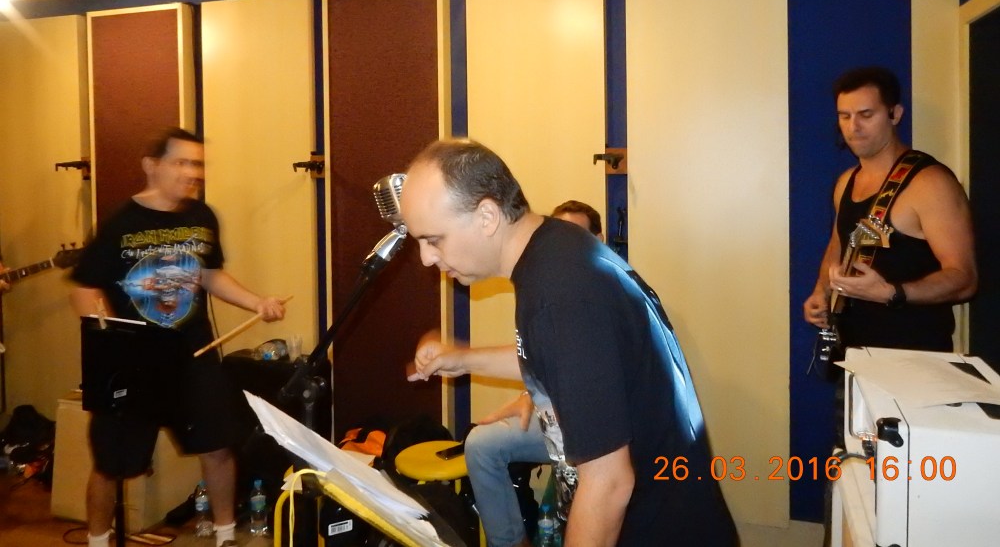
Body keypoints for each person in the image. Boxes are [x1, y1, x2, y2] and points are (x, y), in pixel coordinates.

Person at [402, 138, 737, 547]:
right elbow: (558, 358)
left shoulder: (560, 294)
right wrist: (462, 360)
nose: (426, 258)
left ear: (487, 216)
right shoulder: (557, 248)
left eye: (433, 239)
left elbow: (609, 483)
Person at [70, 127, 287, 547]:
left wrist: (257, 302)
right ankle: (97, 540)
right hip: (133, 364)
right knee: (111, 464)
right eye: (182, 162)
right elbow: (84, 286)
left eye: (197, 164)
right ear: (151, 166)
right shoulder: (120, 223)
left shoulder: (202, 217)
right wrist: (109, 338)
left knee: (218, 447)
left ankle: (225, 537)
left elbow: (210, 275)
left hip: (193, 352)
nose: (193, 172)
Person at [802, 66, 977, 352]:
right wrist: (822, 291)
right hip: (851, 353)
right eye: (845, 116)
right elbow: (838, 245)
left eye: (866, 115)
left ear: (895, 114)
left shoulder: (930, 183)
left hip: (913, 356)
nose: (853, 127)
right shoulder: (846, 181)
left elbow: (964, 278)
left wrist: (892, 293)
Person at [463, 200, 604, 547]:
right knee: (481, 444)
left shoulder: (606, 293)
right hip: (555, 421)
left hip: (599, 433)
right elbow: (544, 359)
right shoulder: (544, 287)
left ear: (598, 240)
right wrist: (532, 393)